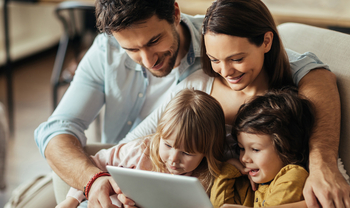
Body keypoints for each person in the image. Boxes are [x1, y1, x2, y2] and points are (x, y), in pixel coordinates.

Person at [34, 0, 347, 207]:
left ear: (175, 13)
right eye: (131, 49)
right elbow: (135, 148)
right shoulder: (200, 81)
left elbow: (314, 70)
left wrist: (323, 161)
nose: (146, 60)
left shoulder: (266, 88)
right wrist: (105, 183)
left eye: (154, 41)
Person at [56, 89, 226, 208]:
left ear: (206, 152)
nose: (173, 159)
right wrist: (71, 201)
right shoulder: (140, 150)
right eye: (167, 145)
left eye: (187, 153)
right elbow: (96, 163)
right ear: (159, 135)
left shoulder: (206, 180)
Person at [210, 87, 314, 208]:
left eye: (255, 149)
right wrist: (229, 169)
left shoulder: (293, 174)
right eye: (241, 148)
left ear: (286, 148)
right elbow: (218, 205)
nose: (244, 158)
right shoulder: (249, 182)